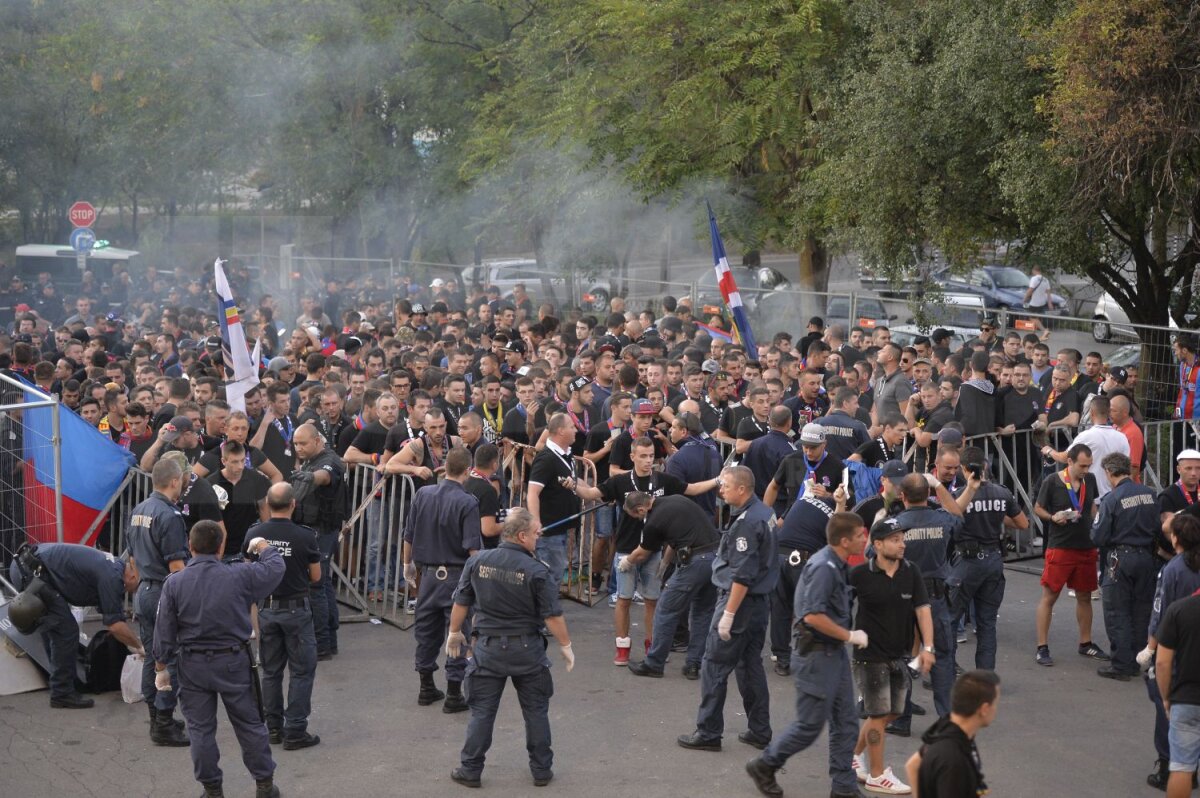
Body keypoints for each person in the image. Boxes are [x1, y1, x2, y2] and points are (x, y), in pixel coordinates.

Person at [152, 522, 286, 798]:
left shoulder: (175, 583)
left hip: (193, 664)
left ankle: (212, 790)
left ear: (190, 546)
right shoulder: (240, 575)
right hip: (232, 660)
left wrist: (161, 667)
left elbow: (164, 630)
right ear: (221, 546)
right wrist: (262, 545)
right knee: (249, 724)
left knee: (200, 729)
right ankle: (264, 785)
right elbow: (276, 567)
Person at [444, 508, 575, 788]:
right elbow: (552, 615)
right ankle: (541, 770)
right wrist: (566, 645)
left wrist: (454, 632)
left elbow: (462, 602)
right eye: (536, 533)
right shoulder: (537, 570)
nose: (538, 538)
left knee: (482, 712)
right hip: (526, 650)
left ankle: (471, 769)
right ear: (522, 535)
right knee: (536, 711)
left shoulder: (479, 561)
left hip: (488, 649)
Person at [744, 512, 869, 798]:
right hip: (816, 655)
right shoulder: (824, 567)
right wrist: (849, 635)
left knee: (846, 722)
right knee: (810, 724)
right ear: (845, 540)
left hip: (832, 654)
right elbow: (812, 616)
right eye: (861, 534)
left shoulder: (837, 563)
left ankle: (844, 787)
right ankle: (765, 764)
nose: (865, 538)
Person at [569, 436, 718, 664]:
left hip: (653, 550)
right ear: (632, 457)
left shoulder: (663, 480)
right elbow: (590, 495)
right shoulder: (619, 482)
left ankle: (652, 646)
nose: (649, 461)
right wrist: (573, 484)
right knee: (623, 599)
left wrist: (718, 480)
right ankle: (622, 647)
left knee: (652, 600)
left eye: (651, 456)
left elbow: (692, 489)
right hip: (626, 550)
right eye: (643, 456)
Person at [678, 466, 778, 752]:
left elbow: (742, 574)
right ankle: (760, 730)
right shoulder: (763, 512)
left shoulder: (746, 522)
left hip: (741, 602)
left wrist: (728, 615)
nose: (721, 490)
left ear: (742, 490)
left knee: (714, 665)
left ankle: (708, 731)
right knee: (750, 666)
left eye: (725, 486)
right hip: (758, 605)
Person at [846, 517, 934, 795]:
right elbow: (836, 603)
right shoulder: (859, 575)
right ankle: (876, 774)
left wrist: (927, 648)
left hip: (900, 654)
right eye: (895, 540)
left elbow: (922, 610)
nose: (902, 544)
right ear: (878, 544)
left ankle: (851, 757)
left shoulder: (912, 572)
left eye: (902, 539)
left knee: (894, 711)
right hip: (869, 656)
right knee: (878, 713)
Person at [6, 543, 142, 709]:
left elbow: (111, 614)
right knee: (66, 630)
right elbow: (115, 626)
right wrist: (139, 647)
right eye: (137, 588)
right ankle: (61, 692)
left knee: (53, 626)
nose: (134, 593)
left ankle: (59, 681)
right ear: (133, 577)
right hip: (32, 571)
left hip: (27, 563)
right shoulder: (112, 578)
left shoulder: (114, 568)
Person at [401, 446, 482, 712]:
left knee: (426, 632)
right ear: (468, 471)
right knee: (456, 632)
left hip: (427, 578)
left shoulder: (423, 494)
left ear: (444, 467)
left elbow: (408, 535)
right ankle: (453, 694)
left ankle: (426, 687)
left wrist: (407, 564)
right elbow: (473, 550)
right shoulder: (468, 501)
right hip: (456, 577)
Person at [887, 473, 966, 736]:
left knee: (902, 657)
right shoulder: (942, 520)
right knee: (942, 656)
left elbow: (871, 556)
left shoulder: (895, 526)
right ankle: (947, 719)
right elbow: (958, 515)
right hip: (935, 597)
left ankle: (901, 719)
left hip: (902, 599)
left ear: (903, 496)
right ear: (928, 495)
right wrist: (940, 487)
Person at [126, 458, 192, 746]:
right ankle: (164, 722)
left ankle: (156, 718)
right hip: (164, 592)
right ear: (175, 481)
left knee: (153, 657)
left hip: (145, 590)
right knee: (169, 659)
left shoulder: (139, 510)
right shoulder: (170, 516)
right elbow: (177, 566)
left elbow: (132, 558)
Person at [252, 483, 322, 750]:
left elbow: (249, 572)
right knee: (301, 671)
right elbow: (316, 577)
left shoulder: (255, 533)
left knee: (271, 672)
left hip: (267, 609)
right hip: (296, 609)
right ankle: (295, 730)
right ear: (293, 504)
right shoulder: (305, 536)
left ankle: (273, 728)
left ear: (267, 505)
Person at [622, 492, 721, 680]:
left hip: (695, 562)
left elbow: (642, 553)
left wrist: (627, 561)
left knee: (666, 610)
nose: (637, 519)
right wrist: (665, 564)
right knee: (702, 612)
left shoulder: (653, 521)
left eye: (635, 515)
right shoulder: (675, 500)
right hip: (716, 557)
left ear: (642, 509)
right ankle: (693, 665)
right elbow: (675, 540)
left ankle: (654, 663)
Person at [947, 447, 1028, 672]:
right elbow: (1023, 523)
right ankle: (986, 675)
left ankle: (948, 670)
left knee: (951, 617)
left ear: (964, 469)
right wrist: (994, 516)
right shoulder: (1002, 493)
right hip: (993, 559)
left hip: (967, 561)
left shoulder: (959, 496)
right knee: (987, 622)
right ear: (985, 466)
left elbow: (950, 521)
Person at [1034, 443, 1108, 666]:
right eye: (1082, 466)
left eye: (1089, 466)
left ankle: (1086, 643)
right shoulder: (1053, 481)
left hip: (1086, 546)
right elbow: (1038, 508)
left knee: (1085, 596)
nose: (1086, 470)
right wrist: (1052, 517)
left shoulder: (1090, 480)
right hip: (1061, 547)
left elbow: (1091, 508)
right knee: (1050, 596)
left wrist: (1099, 525)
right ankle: (1042, 647)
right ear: (1070, 462)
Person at [1141, 514, 1200, 790]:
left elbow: (1159, 612)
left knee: (1169, 713)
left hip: (1176, 649)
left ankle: (1168, 766)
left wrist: (1150, 650)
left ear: (1175, 538)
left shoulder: (1172, 569)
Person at [1091, 452, 1160, 681]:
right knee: (1142, 611)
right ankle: (1140, 658)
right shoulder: (1150, 494)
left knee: (1117, 611)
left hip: (1120, 559)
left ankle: (1122, 664)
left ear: (1109, 472)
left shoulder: (1111, 499)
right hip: (1147, 558)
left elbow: (1099, 536)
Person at [769, 486, 849, 676]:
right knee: (811, 611)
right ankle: (811, 657)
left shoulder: (801, 501)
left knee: (780, 609)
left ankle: (782, 659)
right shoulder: (833, 513)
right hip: (802, 560)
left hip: (778, 556)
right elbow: (835, 543)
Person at [289, 423, 347, 660]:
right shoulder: (309, 459)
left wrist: (310, 476)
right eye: (295, 444)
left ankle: (322, 644)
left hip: (322, 531)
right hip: (314, 530)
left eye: (303, 443)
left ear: (316, 441)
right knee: (322, 586)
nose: (298, 448)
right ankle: (328, 641)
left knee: (316, 587)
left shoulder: (328, 460)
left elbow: (324, 476)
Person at [904, 670, 1001, 798]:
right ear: (984, 709)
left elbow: (913, 765)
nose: (996, 710)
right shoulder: (953, 760)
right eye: (995, 704)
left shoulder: (949, 728)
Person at [1154, 584, 1200, 798]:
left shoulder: (1180, 610)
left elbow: (1162, 662)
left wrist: (1165, 697)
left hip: (1185, 700)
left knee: (1182, 767)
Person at [525, 413, 582, 583]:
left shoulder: (567, 454)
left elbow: (576, 480)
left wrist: (598, 492)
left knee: (555, 574)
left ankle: (550, 608)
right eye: (572, 426)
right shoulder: (546, 459)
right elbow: (532, 493)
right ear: (561, 431)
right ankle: (547, 609)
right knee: (550, 577)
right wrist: (536, 523)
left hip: (562, 528)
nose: (576, 430)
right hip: (550, 531)